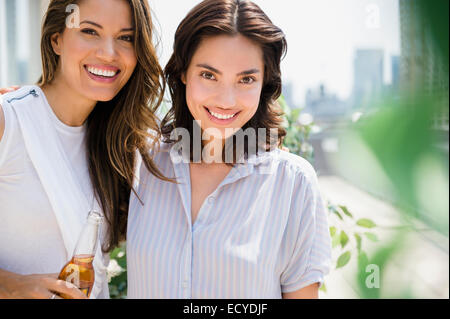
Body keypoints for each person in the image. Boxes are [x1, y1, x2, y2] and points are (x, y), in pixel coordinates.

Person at [127, 0, 332, 299]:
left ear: (265, 83)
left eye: (246, 79)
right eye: (209, 75)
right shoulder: (142, 163)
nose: (226, 99)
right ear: (183, 73)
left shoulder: (293, 183)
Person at [0, 0, 168, 299]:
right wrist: (9, 285)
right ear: (57, 40)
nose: (109, 53)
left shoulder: (123, 146)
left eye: (126, 38)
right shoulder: (9, 121)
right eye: (90, 31)